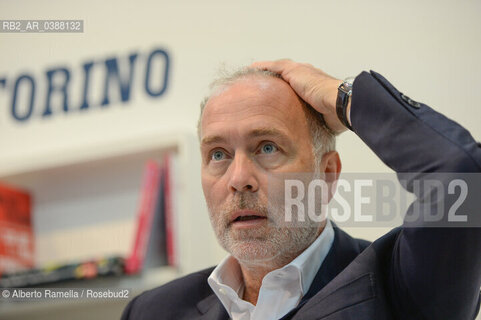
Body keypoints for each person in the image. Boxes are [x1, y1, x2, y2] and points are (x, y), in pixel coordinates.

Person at [121, 59, 481, 319]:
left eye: (267, 147)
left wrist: (343, 97)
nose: (238, 178)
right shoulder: (153, 310)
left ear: (326, 174)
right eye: (218, 154)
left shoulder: (400, 285)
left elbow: (458, 171)